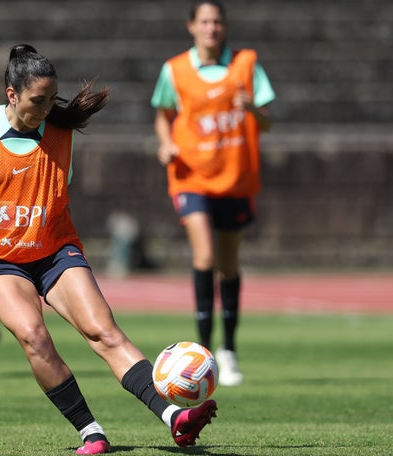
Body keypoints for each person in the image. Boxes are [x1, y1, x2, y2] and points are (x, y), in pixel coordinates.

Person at [0, 44, 217, 455]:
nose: (47, 108)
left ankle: (174, 418)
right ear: (11, 94)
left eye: (53, 100)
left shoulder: (60, 131)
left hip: (55, 252)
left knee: (104, 332)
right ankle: (91, 432)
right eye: (38, 100)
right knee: (35, 337)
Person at [150, 0, 276, 386]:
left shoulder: (246, 64)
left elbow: (267, 122)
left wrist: (251, 109)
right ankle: (204, 352)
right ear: (192, 26)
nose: (211, 27)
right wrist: (166, 143)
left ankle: (230, 349)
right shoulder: (174, 70)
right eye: (204, 21)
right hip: (192, 177)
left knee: (228, 266)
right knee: (204, 255)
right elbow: (163, 114)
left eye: (217, 21)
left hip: (235, 179)